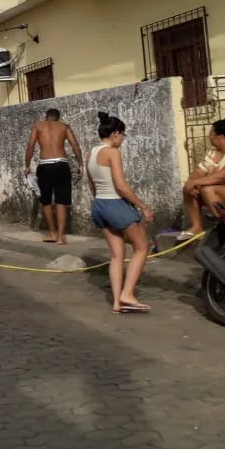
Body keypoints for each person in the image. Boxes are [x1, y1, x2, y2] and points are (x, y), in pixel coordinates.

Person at [87, 112, 154, 314]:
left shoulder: (92, 152)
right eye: (123, 135)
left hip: (99, 204)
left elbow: (91, 184)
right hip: (114, 203)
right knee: (142, 247)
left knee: (117, 255)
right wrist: (143, 206)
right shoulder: (112, 152)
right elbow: (121, 186)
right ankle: (128, 293)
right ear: (116, 134)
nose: (123, 139)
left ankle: (117, 301)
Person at [178, 117, 225, 241]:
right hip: (221, 192)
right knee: (188, 189)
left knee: (208, 190)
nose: (210, 137)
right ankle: (197, 226)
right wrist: (191, 184)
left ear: (220, 136)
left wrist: (195, 183)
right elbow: (199, 172)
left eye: (211, 134)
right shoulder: (213, 152)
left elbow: (223, 176)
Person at [24, 108, 84, 245]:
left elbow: (30, 146)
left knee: (46, 201)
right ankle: (61, 237)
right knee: (61, 200)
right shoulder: (64, 126)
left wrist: (27, 166)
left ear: (46, 117)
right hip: (62, 165)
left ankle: (52, 232)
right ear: (58, 117)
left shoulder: (38, 126)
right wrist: (80, 165)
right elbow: (75, 145)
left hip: (45, 165)